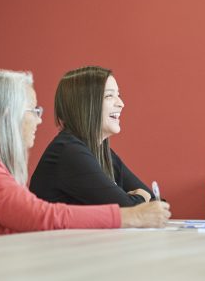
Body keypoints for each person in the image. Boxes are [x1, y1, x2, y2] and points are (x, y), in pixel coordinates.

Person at [0, 70, 169, 241]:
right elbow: (41, 216)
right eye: (33, 111)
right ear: (6, 116)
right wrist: (130, 215)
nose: (40, 119)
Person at [29, 66, 153, 207]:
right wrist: (141, 197)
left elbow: (156, 203)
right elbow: (129, 210)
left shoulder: (103, 152)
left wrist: (140, 199)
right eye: (109, 96)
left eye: (119, 95)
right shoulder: (69, 152)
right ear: (85, 104)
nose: (121, 104)